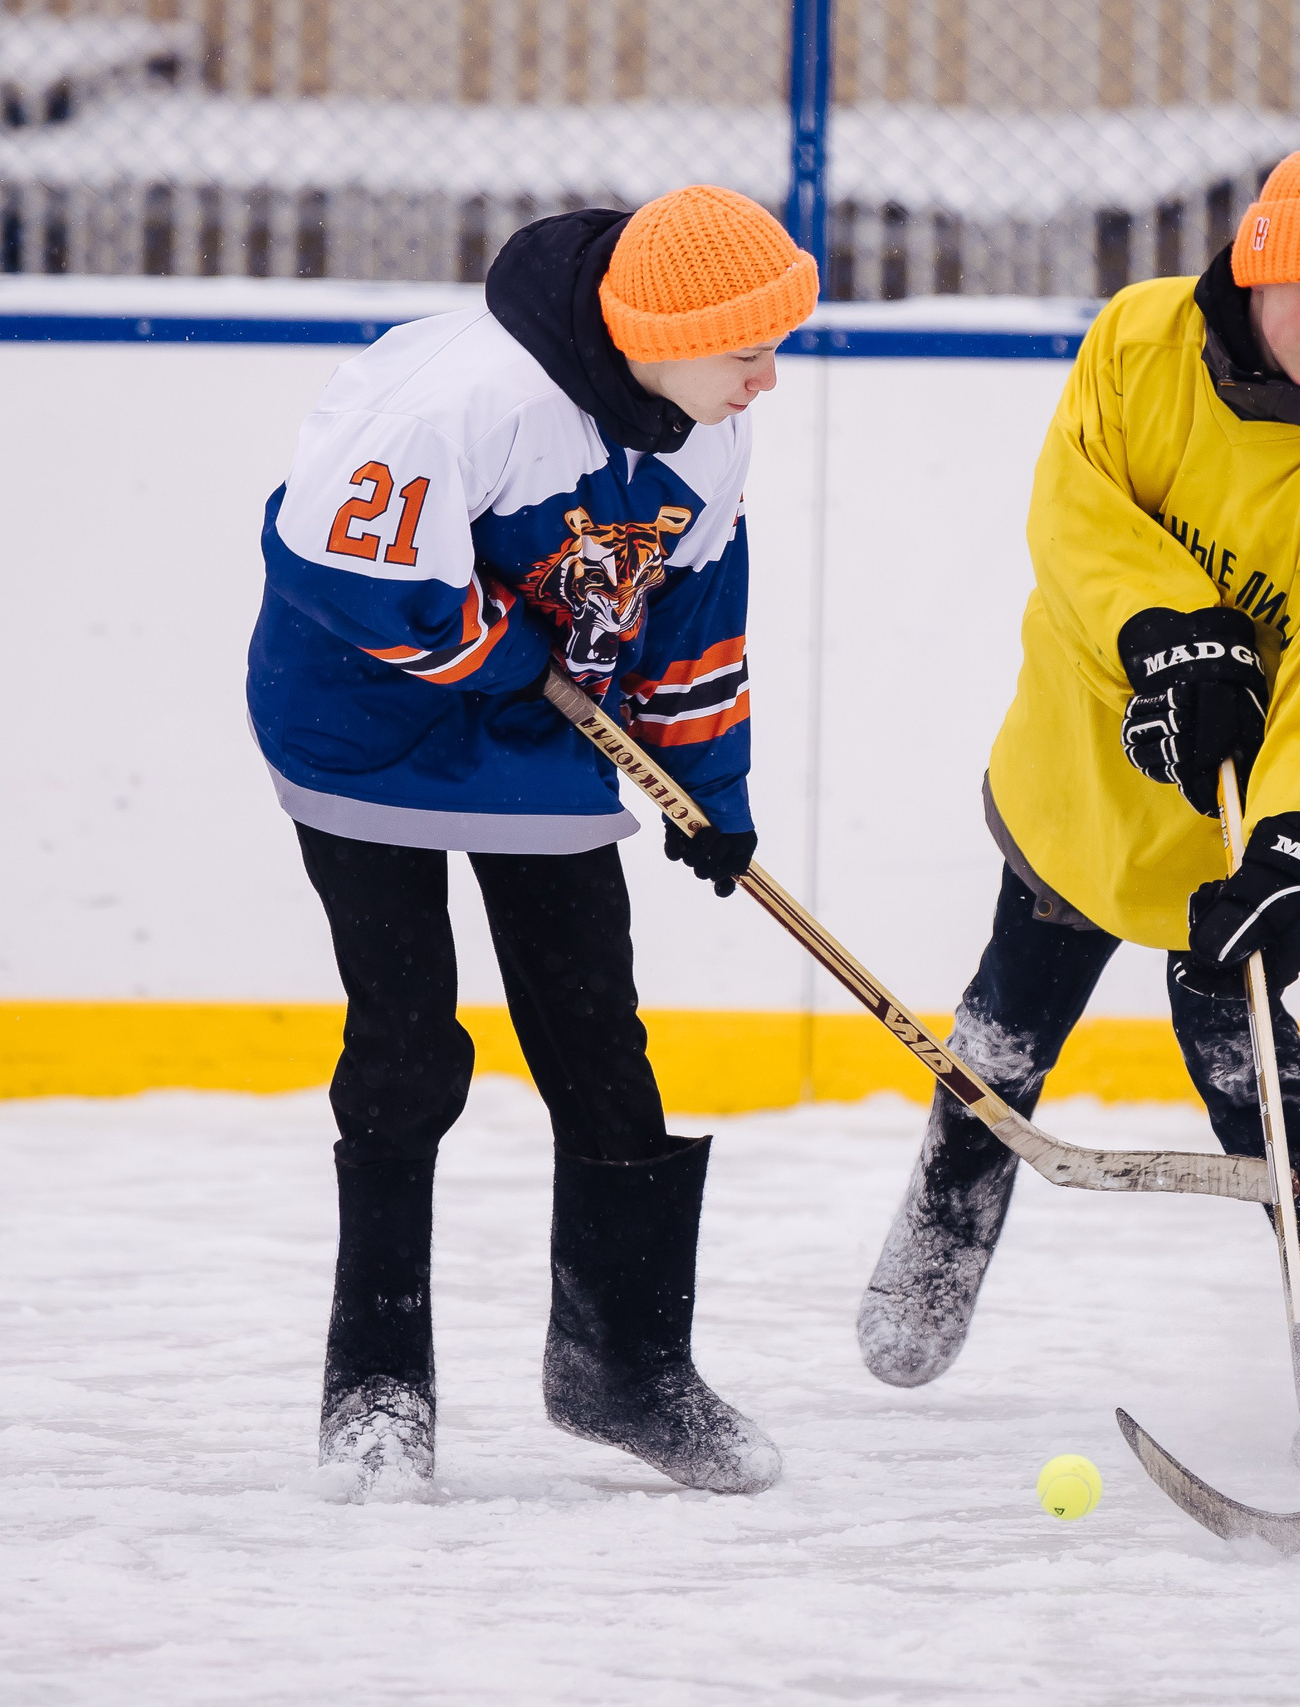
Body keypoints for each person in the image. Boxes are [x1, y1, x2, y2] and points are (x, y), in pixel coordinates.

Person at [855, 143, 1300, 1465]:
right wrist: (1168, 632)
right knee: (1009, 1020)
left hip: (1234, 818)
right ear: (1252, 268)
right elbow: (1073, 521)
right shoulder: (1138, 342)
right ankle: (945, 1220)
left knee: (1249, 1059)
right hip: (1089, 768)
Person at [247, 185, 819, 1500]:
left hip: (542, 729)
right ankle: (379, 1380)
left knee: (599, 1042)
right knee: (405, 1041)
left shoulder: (708, 435)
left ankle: (623, 1365)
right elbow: (338, 568)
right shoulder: (467, 396)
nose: (769, 378)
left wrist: (708, 787)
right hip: (366, 719)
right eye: (749, 348)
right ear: (658, 333)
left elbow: (690, 618)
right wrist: (504, 653)